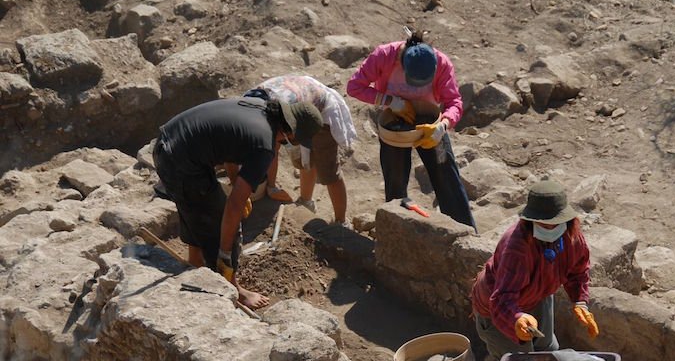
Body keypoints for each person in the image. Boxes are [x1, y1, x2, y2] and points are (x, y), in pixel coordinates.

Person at [152, 97, 323, 309]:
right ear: (291, 133)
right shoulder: (264, 146)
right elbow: (234, 206)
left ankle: (195, 263)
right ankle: (232, 288)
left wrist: (235, 182)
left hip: (169, 143)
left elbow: (229, 147)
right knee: (222, 225)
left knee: (195, 205)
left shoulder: (260, 107)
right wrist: (225, 252)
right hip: (180, 162)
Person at [346, 28, 475, 231]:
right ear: (403, 61)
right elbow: (354, 87)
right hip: (395, 125)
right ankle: (396, 233)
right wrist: (390, 101)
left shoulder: (441, 62)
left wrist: (443, 125)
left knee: (447, 178)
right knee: (395, 183)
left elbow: (454, 102)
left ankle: (464, 231)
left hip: (431, 125)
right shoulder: (384, 56)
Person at [470, 180, 600, 361]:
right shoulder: (517, 248)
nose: (550, 229)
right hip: (499, 306)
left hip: (538, 295)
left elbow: (578, 271)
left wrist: (580, 301)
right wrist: (516, 319)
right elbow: (502, 299)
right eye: (544, 224)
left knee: (548, 351)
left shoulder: (572, 236)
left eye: (555, 223)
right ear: (530, 221)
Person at [245, 75, 357, 225]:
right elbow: (273, 149)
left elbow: (273, 148)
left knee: (329, 171)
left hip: (321, 108)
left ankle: (341, 221)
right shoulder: (254, 111)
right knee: (304, 159)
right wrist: (271, 187)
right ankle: (306, 201)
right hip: (299, 100)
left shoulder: (276, 116)